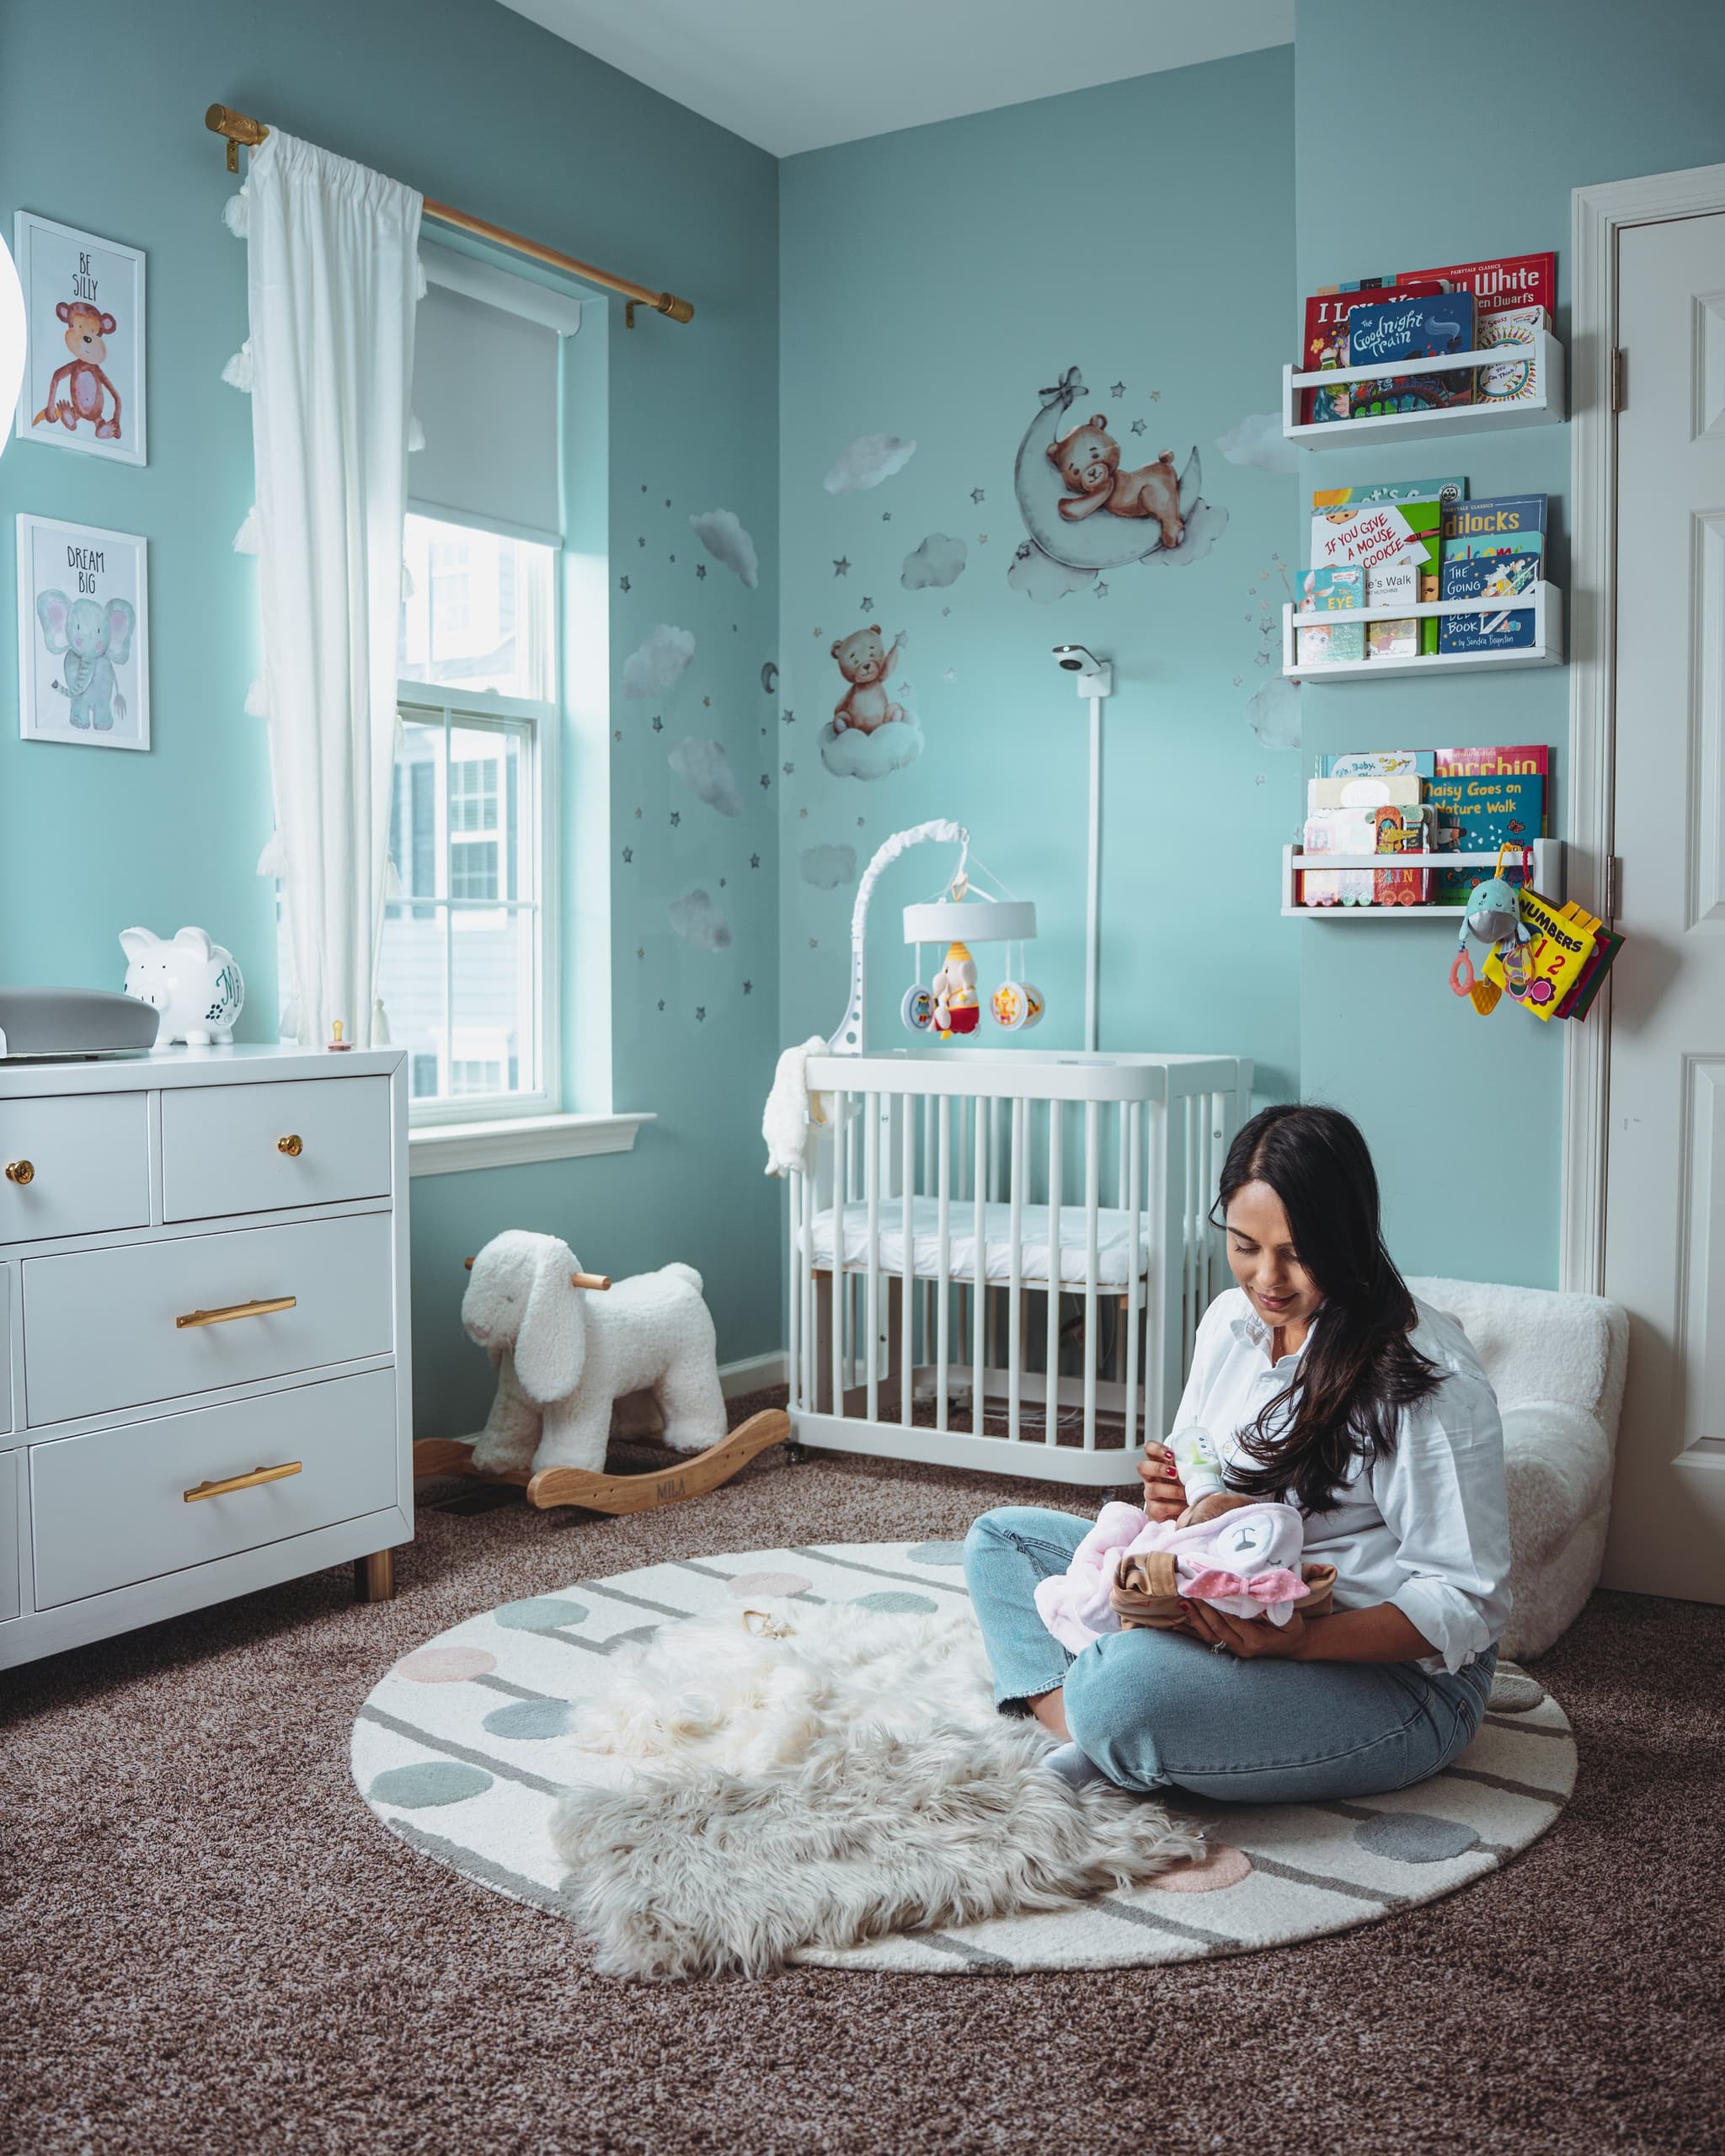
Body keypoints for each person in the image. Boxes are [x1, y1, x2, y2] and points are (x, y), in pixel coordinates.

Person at [963, 1102, 1512, 1802]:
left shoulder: (1426, 1381)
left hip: (1389, 1675)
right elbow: (1206, 1481)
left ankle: (1116, 1723)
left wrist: (1300, 1642)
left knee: (1120, 1681)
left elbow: (1468, 1603)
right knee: (1001, 1541)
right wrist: (1180, 1502)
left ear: (1349, 1234)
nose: (1267, 1280)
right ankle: (1098, 1734)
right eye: (1246, 1245)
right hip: (1233, 1606)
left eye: (1296, 1250)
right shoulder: (1229, 1322)